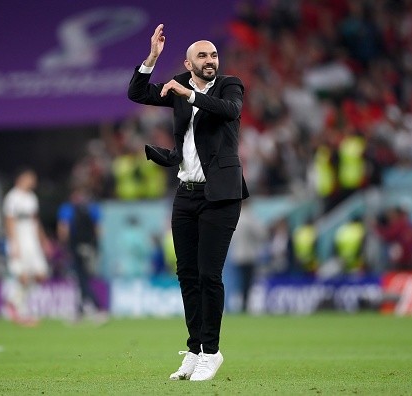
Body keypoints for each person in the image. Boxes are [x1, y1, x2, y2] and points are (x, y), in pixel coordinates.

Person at [128, 24, 249, 381]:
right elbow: (137, 93)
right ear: (188, 62)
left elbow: (229, 111)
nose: (210, 60)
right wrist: (151, 58)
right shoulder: (178, 85)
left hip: (221, 196)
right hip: (186, 193)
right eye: (203, 56)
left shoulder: (230, 85)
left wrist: (190, 94)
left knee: (210, 275)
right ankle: (194, 350)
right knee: (187, 276)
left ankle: (212, 352)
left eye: (213, 55)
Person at [1, 168, 50, 326]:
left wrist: (44, 241)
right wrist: (13, 244)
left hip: (32, 240)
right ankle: (21, 312)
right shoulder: (12, 197)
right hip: (19, 239)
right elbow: (9, 221)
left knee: (41, 274)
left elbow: (36, 221)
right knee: (22, 276)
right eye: (30, 178)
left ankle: (13, 300)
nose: (33, 182)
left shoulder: (31, 197)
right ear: (21, 178)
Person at [57, 186, 106, 322]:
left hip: (75, 246)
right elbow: (99, 229)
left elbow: (63, 228)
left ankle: (97, 307)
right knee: (83, 278)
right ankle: (80, 310)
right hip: (89, 247)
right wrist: (96, 246)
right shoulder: (92, 207)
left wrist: (64, 246)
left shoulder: (68, 208)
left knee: (81, 278)